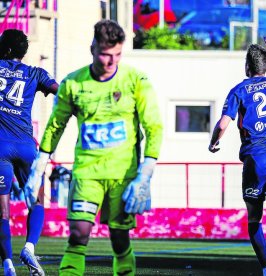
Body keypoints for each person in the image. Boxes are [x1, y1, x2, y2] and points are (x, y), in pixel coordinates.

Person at [24, 19, 163, 275]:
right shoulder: (72, 84)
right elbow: (56, 126)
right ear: (93, 49)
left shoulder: (136, 80)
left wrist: (146, 173)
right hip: (87, 174)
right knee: (78, 234)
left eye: (117, 55)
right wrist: (38, 168)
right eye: (105, 54)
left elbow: (153, 126)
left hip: (123, 176)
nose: (111, 61)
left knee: (119, 240)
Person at [208, 26, 266, 276]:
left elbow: (223, 123)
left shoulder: (239, 90)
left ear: (247, 67)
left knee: (254, 218)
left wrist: (213, 142)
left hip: (256, 159)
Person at [0, 29, 59, 276]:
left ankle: (8, 265)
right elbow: (62, 91)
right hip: (26, 147)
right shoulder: (35, 73)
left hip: (0, 147)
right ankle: (29, 246)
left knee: (2, 211)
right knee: (36, 201)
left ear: (7, 49)